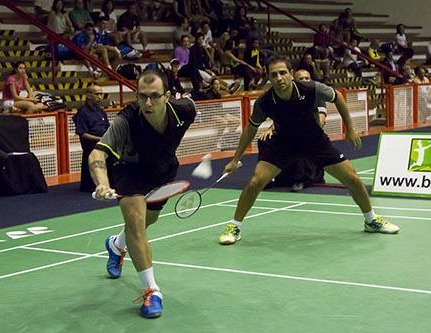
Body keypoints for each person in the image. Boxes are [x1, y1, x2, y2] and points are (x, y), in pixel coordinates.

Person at [217, 56, 400, 246]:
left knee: (352, 178)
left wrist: (350, 128)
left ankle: (371, 220)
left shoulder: (311, 88)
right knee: (255, 182)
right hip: (283, 146)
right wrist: (235, 159)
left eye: (283, 73)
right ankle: (234, 226)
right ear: (269, 79)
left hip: (315, 142)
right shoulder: (265, 102)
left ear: (290, 74)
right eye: (274, 75)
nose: (279, 78)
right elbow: (251, 128)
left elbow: (338, 98)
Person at [88, 70, 196, 318]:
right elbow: (97, 154)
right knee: (136, 223)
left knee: (148, 221)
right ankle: (151, 291)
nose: (148, 103)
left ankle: (116, 245)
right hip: (130, 171)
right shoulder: (126, 120)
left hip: (162, 170)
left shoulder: (185, 110)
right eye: (142, 96)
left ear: (167, 96)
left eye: (155, 96)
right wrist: (103, 183)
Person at [262, 69, 326, 192]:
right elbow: (282, 118)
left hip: (310, 134)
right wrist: (270, 128)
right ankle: (267, 176)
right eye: (301, 79)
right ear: (294, 80)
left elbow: (321, 120)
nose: (304, 81)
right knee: (265, 140)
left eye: (307, 78)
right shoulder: (285, 95)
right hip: (288, 134)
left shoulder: (316, 95)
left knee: (299, 140)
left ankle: (300, 179)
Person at [73, 84, 109, 192]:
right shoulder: (83, 112)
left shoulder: (101, 111)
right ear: (88, 95)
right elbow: (82, 133)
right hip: (90, 146)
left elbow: (107, 127)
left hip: (104, 143)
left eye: (101, 94)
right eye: (97, 94)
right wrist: (99, 139)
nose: (100, 97)